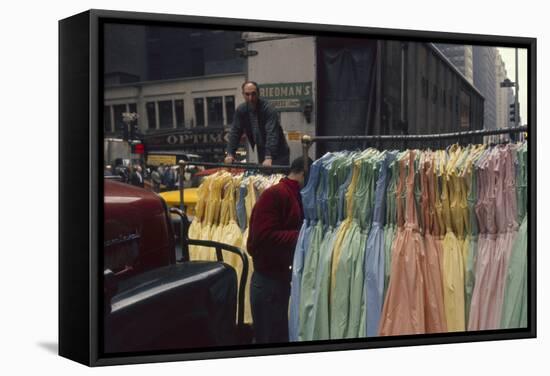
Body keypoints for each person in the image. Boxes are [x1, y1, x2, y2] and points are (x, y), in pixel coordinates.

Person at [247, 156, 313, 343]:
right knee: (270, 340)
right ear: (303, 173)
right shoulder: (275, 194)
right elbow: (261, 238)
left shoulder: (292, 194)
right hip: (268, 283)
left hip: (278, 281)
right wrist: (303, 237)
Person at [225, 81, 290, 167]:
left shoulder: (268, 109)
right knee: (263, 177)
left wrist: (268, 156)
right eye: (247, 94)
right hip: (262, 149)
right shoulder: (241, 110)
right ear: (243, 94)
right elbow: (235, 132)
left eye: (253, 94)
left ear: (258, 93)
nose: (250, 98)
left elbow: (272, 133)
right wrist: (230, 153)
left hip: (279, 150)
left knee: (279, 178)